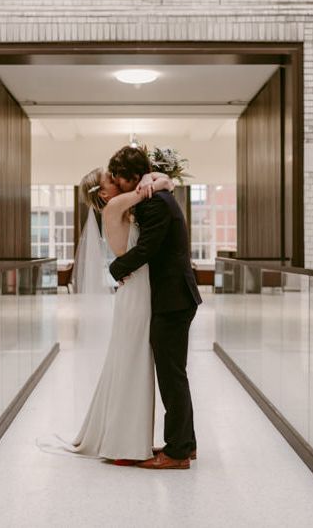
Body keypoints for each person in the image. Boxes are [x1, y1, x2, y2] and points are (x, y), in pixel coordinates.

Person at [48, 165, 174, 463]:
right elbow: (164, 184)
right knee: (132, 363)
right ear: (104, 192)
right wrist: (150, 177)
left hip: (140, 290)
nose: (118, 179)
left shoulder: (121, 207)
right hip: (136, 294)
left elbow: (161, 185)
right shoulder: (117, 204)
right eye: (111, 177)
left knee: (130, 362)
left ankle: (126, 439)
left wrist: (150, 178)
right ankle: (123, 444)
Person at [108, 146, 202, 470]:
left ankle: (177, 453)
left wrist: (115, 269)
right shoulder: (156, 196)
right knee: (175, 374)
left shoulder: (156, 204)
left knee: (171, 375)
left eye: (118, 176)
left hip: (173, 300)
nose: (115, 182)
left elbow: (147, 248)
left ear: (132, 176)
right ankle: (184, 443)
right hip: (174, 298)